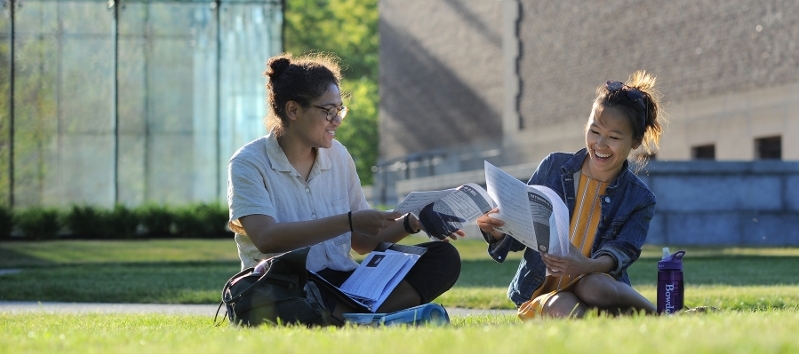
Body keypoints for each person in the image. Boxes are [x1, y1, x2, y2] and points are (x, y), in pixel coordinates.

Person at [226, 52, 464, 325]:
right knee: (277, 299)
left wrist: (412, 222)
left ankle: (351, 319)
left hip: (343, 284)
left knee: (442, 257)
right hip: (285, 283)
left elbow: (362, 242)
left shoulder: (338, 156)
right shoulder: (248, 163)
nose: (337, 121)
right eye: (328, 111)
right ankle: (371, 319)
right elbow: (266, 238)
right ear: (293, 110)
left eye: (339, 110)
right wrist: (349, 221)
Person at [476, 70, 665, 319]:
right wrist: (497, 229)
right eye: (594, 131)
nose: (600, 144)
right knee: (563, 307)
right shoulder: (554, 167)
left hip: (599, 284)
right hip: (543, 291)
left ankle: (662, 316)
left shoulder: (639, 198)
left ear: (635, 142)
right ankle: (616, 323)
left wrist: (586, 266)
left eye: (614, 137)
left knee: (594, 286)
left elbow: (623, 251)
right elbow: (520, 233)